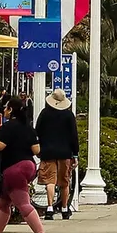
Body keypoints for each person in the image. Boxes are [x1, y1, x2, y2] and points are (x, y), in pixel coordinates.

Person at [0, 95, 50, 233]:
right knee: (3, 203)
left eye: (6, 108)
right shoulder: (28, 127)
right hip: (28, 166)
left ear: (11, 110)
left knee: (23, 204)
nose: (4, 110)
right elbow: (36, 149)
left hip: (14, 169)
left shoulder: (7, 127)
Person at [34, 86, 80, 219]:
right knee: (64, 182)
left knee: (50, 181)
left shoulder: (44, 114)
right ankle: (65, 209)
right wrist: (75, 154)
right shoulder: (69, 115)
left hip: (47, 152)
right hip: (65, 153)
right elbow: (74, 136)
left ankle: (49, 208)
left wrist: (39, 148)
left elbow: (37, 132)